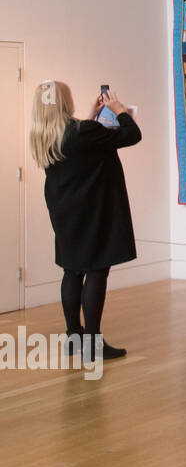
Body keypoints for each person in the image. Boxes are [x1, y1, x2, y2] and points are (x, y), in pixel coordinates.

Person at [30, 82, 141, 361]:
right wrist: (118, 111)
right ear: (64, 102)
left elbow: (79, 148)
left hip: (64, 211)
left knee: (72, 269)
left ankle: (74, 337)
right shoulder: (82, 133)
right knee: (96, 269)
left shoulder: (45, 135)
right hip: (91, 210)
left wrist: (92, 117)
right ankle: (93, 343)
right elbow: (132, 134)